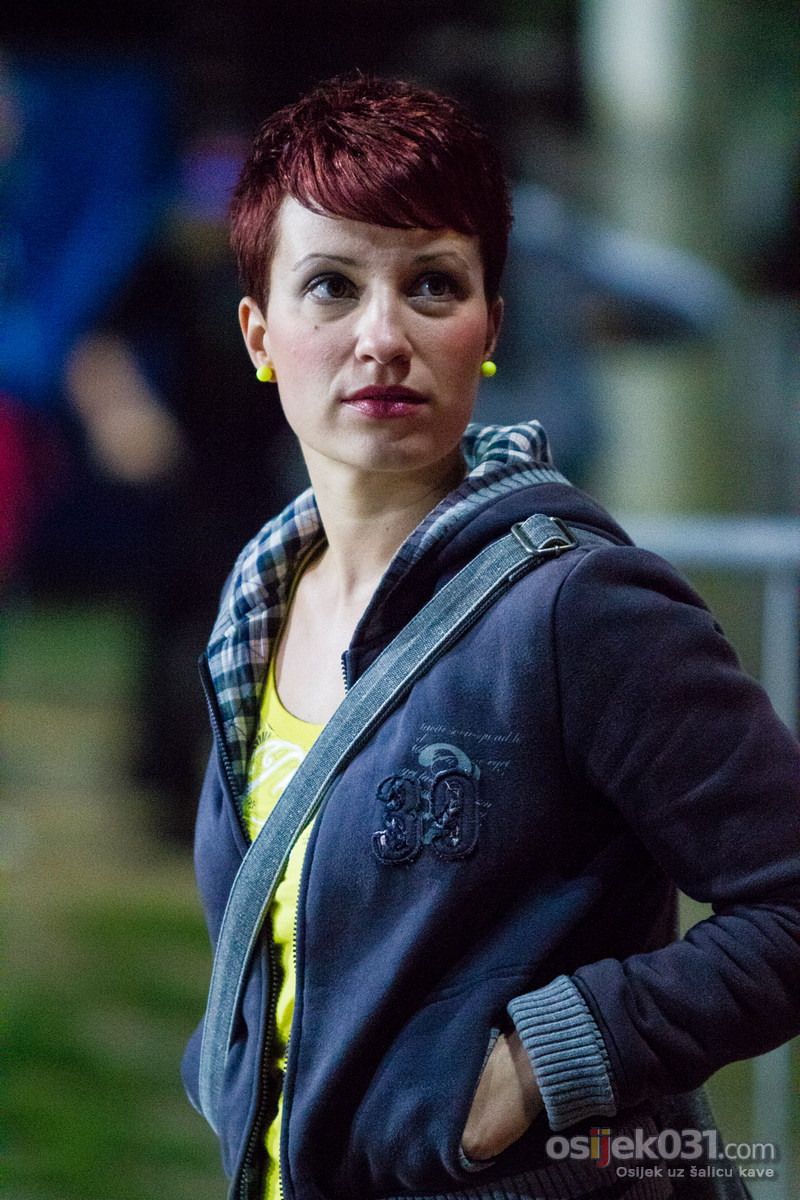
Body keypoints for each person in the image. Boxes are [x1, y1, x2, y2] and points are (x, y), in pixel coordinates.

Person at [182, 75, 800, 1200]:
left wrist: (544, 1061)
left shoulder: (578, 607)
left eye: (432, 284)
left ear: (491, 327)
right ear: (260, 333)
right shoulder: (256, 607)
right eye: (330, 286)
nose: (382, 336)